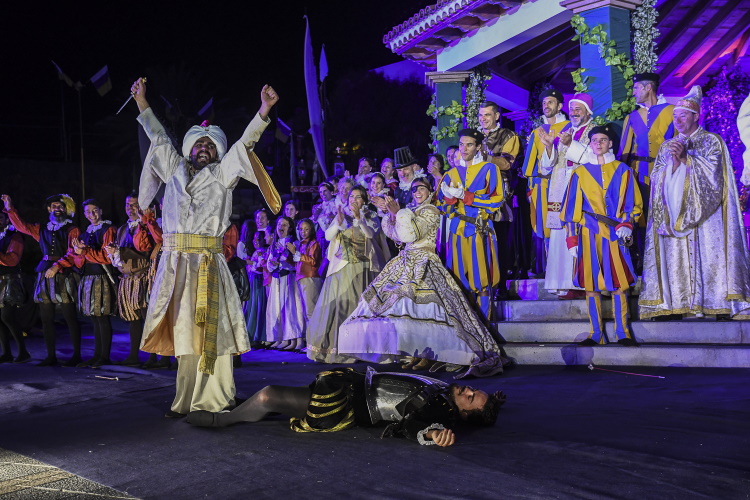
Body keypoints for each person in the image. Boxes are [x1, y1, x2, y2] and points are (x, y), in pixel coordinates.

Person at [131, 77, 279, 417]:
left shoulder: (223, 173)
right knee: (185, 335)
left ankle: (218, 397)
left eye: (210, 146)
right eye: (199, 144)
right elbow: (157, 136)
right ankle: (184, 400)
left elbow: (245, 144)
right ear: (189, 149)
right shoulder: (174, 169)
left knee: (215, 333)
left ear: (217, 152)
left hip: (209, 264)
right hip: (177, 266)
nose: (204, 148)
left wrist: (264, 109)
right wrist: (141, 101)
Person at [339, 178, 506, 377]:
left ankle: (430, 354)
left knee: (427, 307)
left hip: (424, 261)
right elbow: (398, 236)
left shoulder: (431, 211)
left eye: (421, 188)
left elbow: (413, 234)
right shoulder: (412, 210)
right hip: (405, 261)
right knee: (402, 306)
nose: (417, 192)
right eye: (414, 189)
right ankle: (416, 353)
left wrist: (397, 212)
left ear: (429, 191)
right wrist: (389, 215)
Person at [186, 366, 506, 448]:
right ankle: (246, 407)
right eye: (473, 390)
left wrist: (431, 432)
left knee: (270, 395)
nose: (466, 390)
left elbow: (413, 423)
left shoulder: (441, 408)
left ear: (463, 413)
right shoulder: (444, 390)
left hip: (348, 404)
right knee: (278, 398)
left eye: (469, 398)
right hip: (352, 386)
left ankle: (222, 420)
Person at [639, 86, 750, 320]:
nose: (678, 120)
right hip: (675, 215)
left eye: (683, 115)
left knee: (712, 256)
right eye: (675, 116)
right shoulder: (667, 146)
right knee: (675, 258)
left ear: (695, 116)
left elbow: (715, 177)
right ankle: (676, 305)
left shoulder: (712, 141)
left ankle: (718, 303)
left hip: (709, 217)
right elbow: (658, 180)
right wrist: (674, 165)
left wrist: (686, 159)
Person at [561, 125, 642, 345]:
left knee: (619, 283)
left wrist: (628, 223)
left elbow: (634, 205)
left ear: (610, 143)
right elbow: (570, 211)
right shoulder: (580, 172)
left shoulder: (623, 170)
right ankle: (595, 333)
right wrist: (571, 239)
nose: (598, 143)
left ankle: (623, 332)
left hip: (616, 233)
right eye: (594, 139)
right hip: (588, 233)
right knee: (591, 283)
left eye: (603, 139)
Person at [307, 186, 389, 363]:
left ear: (364, 201)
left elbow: (371, 235)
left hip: (364, 269)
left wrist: (359, 219)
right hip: (342, 268)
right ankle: (340, 350)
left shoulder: (370, 216)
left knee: (359, 309)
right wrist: (337, 223)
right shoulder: (341, 215)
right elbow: (329, 237)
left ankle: (362, 349)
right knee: (341, 309)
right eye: (351, 196)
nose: (354, 199)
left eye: (358, 197)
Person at [2, 194, 82, 366]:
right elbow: (22, 226)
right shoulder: (42, 229)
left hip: (64, 273)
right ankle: (51, 356)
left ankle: (76, 355)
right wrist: (10, 208)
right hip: (44, 272)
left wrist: (57, 266)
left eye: (60, 206)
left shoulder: (72, 229)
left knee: (69, 316)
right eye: (54, 206)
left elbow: (74, 252)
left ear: (65, 209)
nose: (57, 209)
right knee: (46, 318)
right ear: (48, 209)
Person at [438, 129, 505, 320]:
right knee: (458, 279)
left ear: (477, 147)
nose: (464, 148)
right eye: (461, 144)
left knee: (482, 279)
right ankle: (465, 326)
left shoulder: (490, 169)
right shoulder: (451, 173)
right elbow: (442, 204)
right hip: (457, 230)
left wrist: (466, 197)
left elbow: (496, 201)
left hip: (479, 229)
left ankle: (484, 327)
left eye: (469, 144)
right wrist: (449, 200)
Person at [538, 93, 595, 299]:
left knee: (579, 233)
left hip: (582, 187)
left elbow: (591, 158)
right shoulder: (566, 130)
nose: (573, 113)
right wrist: (549, 146)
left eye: (578, 109)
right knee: (560, 235)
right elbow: (546, 167)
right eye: (572, 109)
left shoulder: (595, 132)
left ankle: (581, 282)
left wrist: (571, 144)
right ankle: (562, 282)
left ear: (588, 111)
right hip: (559, 187)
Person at [619, 73, 676, 273]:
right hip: (638, 175)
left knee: (666, 216)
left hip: (666, 174)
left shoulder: (672, 111)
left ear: (648, 88)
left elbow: (679, 143)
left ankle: (668, 261)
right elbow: (624, 149)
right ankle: (644, 261)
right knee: (641, 217)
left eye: (636, 88)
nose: (634, 93)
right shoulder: (632, 117)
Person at [61, 199, 117, 366]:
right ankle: (97, 354)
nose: (91, 214)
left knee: (102, 316)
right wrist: (78, 253)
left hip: (102, 277)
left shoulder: (109, 229)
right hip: (88, 278)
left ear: (100, 210)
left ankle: (104, 356)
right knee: (94, 317)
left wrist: (84, 251)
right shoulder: (84, 234)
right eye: (87, 212)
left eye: (94, 211)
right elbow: (79, 263)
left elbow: (106, 257)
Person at [108, 193, 161, 367]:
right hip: (128, 277)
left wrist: (145, 223)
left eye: (134, 205)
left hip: (146, 276)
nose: (130, 208)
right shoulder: (123, 228)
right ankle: (133, 355)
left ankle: (153, 356)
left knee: (148, 318)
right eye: (128, 205)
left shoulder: (149, 226)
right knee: (133, 319)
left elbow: (148, 248)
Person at [477, 101, 521, 300]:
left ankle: (502, 287)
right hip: (475, 197)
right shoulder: (475, 137)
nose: (483, 119)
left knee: (499, 243)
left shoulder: (508, 136)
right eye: (481, 115)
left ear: (496, 116)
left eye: (487, 115)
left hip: (498, 197)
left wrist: (484, 157)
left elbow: (506, 163)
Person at [522, 89, 571, 257]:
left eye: (550, 102)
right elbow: (530, 163)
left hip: (562, 184)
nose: (546, 105)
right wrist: (531, 188)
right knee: (544, 226)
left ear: (560, 106)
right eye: (544, 103)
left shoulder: (569, 128)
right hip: (542, 185)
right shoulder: (537, 132)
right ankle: (550, 267)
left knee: (563, 223)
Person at [265, 216, 305, 351]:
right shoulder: (274, 245)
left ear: (290, 228)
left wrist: (283, 259)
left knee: (291, 309)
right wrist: (272, 264)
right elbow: (269, 264)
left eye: (285, 225)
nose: (281, 227)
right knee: (277, 309)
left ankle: (297, 339)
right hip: (277, 279)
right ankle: (282, 337)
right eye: (279, 225)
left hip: (289, 279)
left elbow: (295, 263)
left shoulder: (294, 243)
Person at [0, 211, 30, 363]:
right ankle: (6, 352)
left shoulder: (15, 236)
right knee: (1, 318)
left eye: (0, 218)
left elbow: (12, 260)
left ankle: (23, 351)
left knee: (7, 316)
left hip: (10, 281)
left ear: (6, 220)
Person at [291, 218, 322, 346]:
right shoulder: (302, 244)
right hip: (301, 278)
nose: (303, 232)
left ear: (311, 230)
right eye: (301, 229)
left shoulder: (314, 243)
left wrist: (298, 255)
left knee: (311, 311)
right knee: (305, 312)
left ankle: (315, 343)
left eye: (306, 229)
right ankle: (310, 342)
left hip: (310, 278)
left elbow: (314, 261)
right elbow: (297, 264)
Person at [238, 230, 268, 348]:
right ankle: (250, 334)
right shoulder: (257, 252)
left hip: (258, 281)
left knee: (258, 307)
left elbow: (262, 268)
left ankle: (258, 335)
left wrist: (251, 263)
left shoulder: (263, 252)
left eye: (258, 239)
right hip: (252, 280)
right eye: (254, 239)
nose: (256, 242)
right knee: (251, 307)